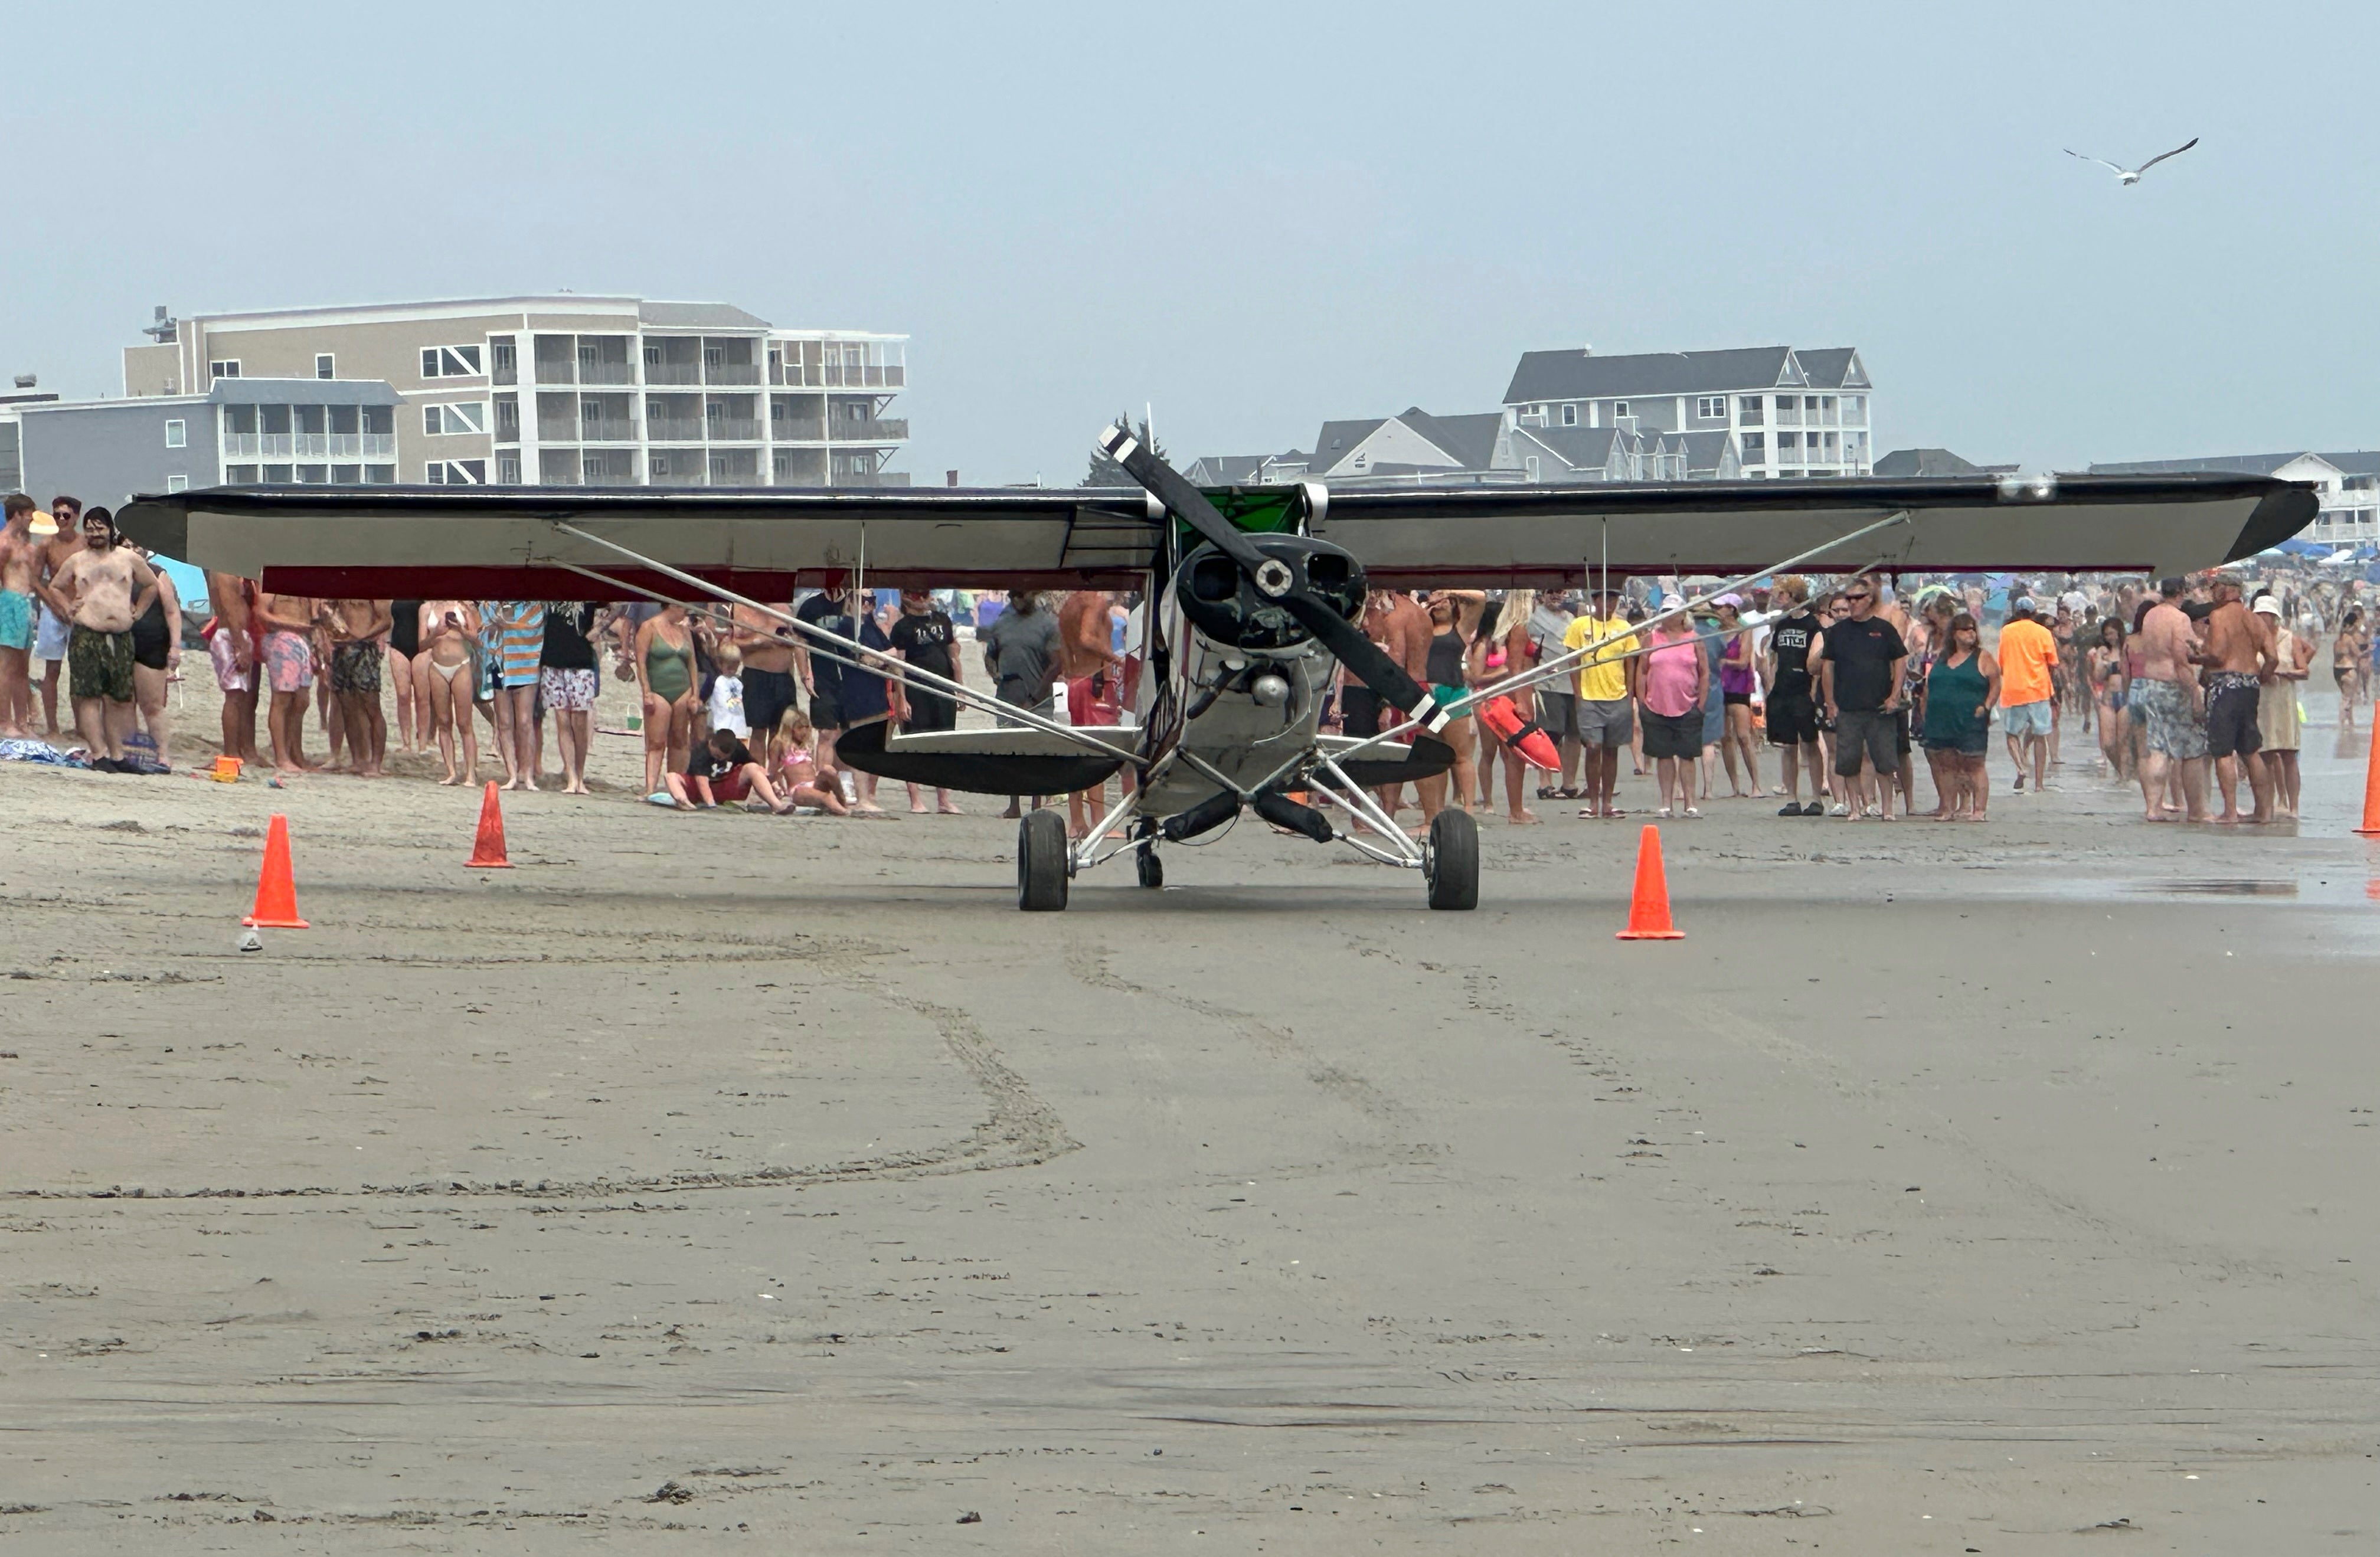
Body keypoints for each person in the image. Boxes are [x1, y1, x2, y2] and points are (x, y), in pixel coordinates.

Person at [33, 507, 158, 771]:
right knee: (88, 696)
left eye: (100, 527)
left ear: (110, 529)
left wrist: (140, 611)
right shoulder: (78, 560)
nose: (95, 533)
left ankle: (117, 754)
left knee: (117, 697)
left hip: (122, 635)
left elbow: (151, 585)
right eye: (90, 528)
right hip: (87, 633)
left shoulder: (128, 558)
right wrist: (67, 607)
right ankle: (99, 753)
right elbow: (54, 586)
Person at [1809, 576, 1907, 820]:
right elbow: (1827, 668)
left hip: (1879, 705)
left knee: (1884, 760)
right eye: (1848, 599)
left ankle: (1887, 809)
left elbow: (1901, 660)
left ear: (1869, 599)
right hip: (1847, 707)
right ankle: (1854, 807)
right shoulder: (1838, 632)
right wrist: (1830, 702)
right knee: (1848, 759)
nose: (1853, 603)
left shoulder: (1883, 629)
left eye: (1857, 598)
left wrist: (1895, 695)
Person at [2194, 573, 2275, 825]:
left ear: (2228, 589)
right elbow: (2272, 658)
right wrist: (2260, 678)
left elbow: (2218, 655)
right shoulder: (2254, 619)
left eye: (2215, 587)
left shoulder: (2220, 616)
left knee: (2223, 751)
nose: (2211, 592)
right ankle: (2263, 812)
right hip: (2250, 685)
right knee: (2251, 750)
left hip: (2225, 685)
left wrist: (2195, 658)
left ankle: (2230, 811)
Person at [981, 590, 1063, 818]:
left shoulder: (1048, 624)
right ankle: (1014, 804)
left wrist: (1035, 699)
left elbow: (1057, 665)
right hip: (1008, 697)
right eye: (1013, 596)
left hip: (1039, 701)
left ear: (1033, 595)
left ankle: (1036, 805)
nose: (1017, 600)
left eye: (1022, 595)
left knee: (1037, 754)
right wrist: (994, 672)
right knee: (1010, 752)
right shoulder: (1002, 623)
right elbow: (990, 655)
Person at [2133, 577, 2209, 823]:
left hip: (2151, 684)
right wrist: (2195, 694)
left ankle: (2153, 808)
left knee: (2158, 748)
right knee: (2192, 750)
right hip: (2174, 685)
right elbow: (2181, 659)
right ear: (2181, 593)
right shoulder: (2180, 619)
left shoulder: (2150, 616)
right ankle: (2197, 811)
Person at [887, 587, 964, 815]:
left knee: (944, 743)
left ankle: (944, 799)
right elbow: (898, 665)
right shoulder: (902, 627)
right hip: (916, 690)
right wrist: (901, 698)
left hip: (943, 689)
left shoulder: (943, 619)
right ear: (907, 599)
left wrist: (960, 689)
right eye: (917, 595)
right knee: (914, 742)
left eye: (925, 594)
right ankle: (916, 800)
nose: (923, 599)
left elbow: (954, 656)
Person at [1468, 590, 1540, 825]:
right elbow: (1516, 668)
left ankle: (1515, 807)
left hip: (1510, 694)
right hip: (1510, 696)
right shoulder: (1517, 629)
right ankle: (1515, 810)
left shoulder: (1513, 630)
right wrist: (1521, 700)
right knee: (1512, 755)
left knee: (1514, 755)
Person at [1564, 587, 1635, 819]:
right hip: (1589, 696)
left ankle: (1607, 802)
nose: (1610, 603)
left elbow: (1630, 662)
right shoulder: (1580, 625)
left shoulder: (1624, 627)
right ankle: (1592, 801)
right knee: (1593, 748)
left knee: (1611, 749)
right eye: (1605, 598)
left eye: (1614, 599)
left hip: (1617, 695)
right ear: (1595, 600)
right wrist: (1577, 693)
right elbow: (1572, 659)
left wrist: (1630, 694)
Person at [1918, 611, 1997, 820]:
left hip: (1971, 720)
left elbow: (1995, 684)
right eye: (1965, 629)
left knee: (1974, 765)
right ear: (1954, 633)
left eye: (1973, 629)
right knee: (1946, 766)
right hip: (1940, 720)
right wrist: (1925, 713)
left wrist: (1986, 707)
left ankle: (1978, 810)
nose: (1970, 633)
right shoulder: (1942, 658)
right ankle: (1948, 809)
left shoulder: (1983, 657)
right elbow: (1928, 688)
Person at [1417, 590, 1486, 823]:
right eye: (1437, 603)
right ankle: (1432, 817)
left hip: (1453, 691)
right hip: (1426, 692)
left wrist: (1450, 592)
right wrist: (1425, 608)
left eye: (1445, 603)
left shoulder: (1461, 628)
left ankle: (1469, 812)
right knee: (1429, 757)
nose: (1440, 606)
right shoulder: (1422, 628)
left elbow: (1480, 598)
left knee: (1461, 755)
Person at [1634, 601, 1706, 818]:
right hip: (1656, 705)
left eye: (1673, 612)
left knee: (1687, 755)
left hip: (1689, 704)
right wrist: (1642, 700)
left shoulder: (1694, 639)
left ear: (1683, 615)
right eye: (1665, 611)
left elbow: (1704, 673)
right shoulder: (1651, 638)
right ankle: (1666, 803)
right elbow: (1642, 671)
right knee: (1663, 756)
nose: (1668, 616)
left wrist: (1701, 704)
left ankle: (1690, 803)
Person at [1761, 576, 1826, 816]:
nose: (1778, 599)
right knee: (1788, 746)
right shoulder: (1782, 625)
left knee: (1810, 744)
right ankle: (1792, 798)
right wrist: (1771, 688)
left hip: (1804, 690)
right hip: (1783, 690)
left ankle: (1817, 797)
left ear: (1792, 596)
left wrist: (1813, 693)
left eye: (1781, 594)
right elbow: (1775, 659)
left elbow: (1817, 664)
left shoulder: (1813, 626)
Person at [633, 602, 699, 797]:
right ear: (671, 605)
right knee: (656, 742)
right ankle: (650, 788)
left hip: (683, 690)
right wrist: (646, 691)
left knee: (680, 740)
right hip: (659, 690)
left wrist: (695, 694)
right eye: (683, 608)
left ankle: (676, 787)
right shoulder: (649, 627)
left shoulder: (684, 631)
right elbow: (641, 662)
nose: (685, 613)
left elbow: (692, 663)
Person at [32, 495, 85, 737]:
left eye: (66, 515)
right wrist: (53, 606)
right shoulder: (46, 544)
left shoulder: (84, 544)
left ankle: (83, 725)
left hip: (81, 611)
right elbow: (36, 580)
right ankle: (53, 727)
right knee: (52, 671)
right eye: (57, 515)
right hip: (54, 612)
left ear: (76, 517)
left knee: (80, 671)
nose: (61, 520)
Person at [125, 549, 182, 767]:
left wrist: (175, 647)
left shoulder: (158, 574)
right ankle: (129, 751)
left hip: (152, 641)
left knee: (152, 704)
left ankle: (162, 755)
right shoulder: (115, 570)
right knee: (123, 701)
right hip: (122, 640)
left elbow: (172, 611)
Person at [2254, 593, 2309, 817]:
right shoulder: (2253, 641)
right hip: (2262, 703)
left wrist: (2283, 673)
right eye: (2259, 615)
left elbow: (2304, 671)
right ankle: (2267, 807)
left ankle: (2293, 807)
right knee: (2265, 755)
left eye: (2267, 615)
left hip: (2285, 702)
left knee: (2288, 755)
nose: (2263, 619)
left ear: (2275, 617)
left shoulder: (2290, 639)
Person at [322, 600, 391, 777]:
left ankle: (375, 763)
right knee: (347, 706)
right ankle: (358, 760)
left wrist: (362, 636)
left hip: (365, 648)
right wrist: (332, 634)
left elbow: (385, 620)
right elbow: (327, 610)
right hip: (341, 649)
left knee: (372, 706)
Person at [731, 598, 800, 775]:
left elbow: (798, 640)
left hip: (783, 677)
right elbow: (733, 643)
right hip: (757, 676)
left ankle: (775, 776)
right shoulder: (741, 608)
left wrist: (789, 641)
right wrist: (759, 641)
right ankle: (758, 775)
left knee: (781, 730)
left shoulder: (784, 608)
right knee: (759, 730)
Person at [1996, 597, 2058, 795]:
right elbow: (2053, 663)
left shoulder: (2007, 631)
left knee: (2012, 734)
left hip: (2014, 689)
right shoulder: (2044, 633)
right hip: (2039, 689)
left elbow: (2002, 662)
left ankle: (2021, 767)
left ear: (2016, 613)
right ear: (2033, 613)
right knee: (2040, 736)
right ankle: (2039, 784)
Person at [417, 601, 482, 786]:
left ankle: (470, 773)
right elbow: (421, 646)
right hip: (437, 667)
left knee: (465, 723)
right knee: (443, 721)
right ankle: (451, 771)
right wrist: (436, 633)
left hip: (461, 665)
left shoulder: (462, 607)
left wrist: (461, 630)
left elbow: (477, 640)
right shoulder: (426, 608)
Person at [538, 601, 599, 796]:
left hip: (580, 662)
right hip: (553, 660)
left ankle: (580, 776)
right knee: (562, 720)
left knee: (579, 723)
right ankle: (571, 776)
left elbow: (621, 606)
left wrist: (600, 628)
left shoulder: (587, 592)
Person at [666, 727, 800, 813]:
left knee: (752, 768)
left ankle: (776, 805)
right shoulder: (701, 751)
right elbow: (701, 781)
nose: (719, 759)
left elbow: (756, 768)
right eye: (717, 756)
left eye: (724, 758)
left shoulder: (738, 747)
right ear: (711, 743)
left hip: (726, 786)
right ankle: (683, 802)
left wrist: (772, 784)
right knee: (671, 777)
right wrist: (711, 806)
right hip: (700, 790)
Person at [485, 600, 545, 791]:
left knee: (525, 722)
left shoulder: (533, 605)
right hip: (500, 665)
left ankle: (527, 774)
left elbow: (532, 630)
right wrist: (497, 625)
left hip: (526, 667)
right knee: (503, 722)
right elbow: (483, 632)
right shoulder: (491, 604)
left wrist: (504, 624)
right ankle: (512, 774)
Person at [1524, 591, 1579, 798]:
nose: (1556, 596)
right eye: (1551, 592)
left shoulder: (1573, 620)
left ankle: (1570, 783)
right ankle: (1545, 783)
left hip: (1573, 682)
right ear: (1543, 595)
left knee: (1574, 734)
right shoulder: (1533, 619)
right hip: (1548, 683)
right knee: (1550, 734)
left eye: (1560, 592)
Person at [0, 494, 42, 736]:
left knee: (22, 668)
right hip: (9, 600)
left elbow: (34, 579)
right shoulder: (4, 543)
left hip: (26, 603)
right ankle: (5, 721)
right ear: (17, 514)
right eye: (29, 514)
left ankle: (22, 721)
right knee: (7, 666)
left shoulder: (27, 544)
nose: (31, 519)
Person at [1712, 595, 1762, 799]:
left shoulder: (1744, 631)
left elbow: (1743, 661)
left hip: (1739, 687)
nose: (1716, 611)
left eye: (1720, 608)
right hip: (1720, 687)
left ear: (1731, 609)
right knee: (1725, 738)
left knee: (1743, 736)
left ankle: (1756, 785)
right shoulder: (1715, 632)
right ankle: (1735, 785)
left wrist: (1723, 662)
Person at [772, 706, 851, 815]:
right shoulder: (780, 743)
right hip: (798, 789)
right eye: (800, 728)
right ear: (790, 728)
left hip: (814, 784)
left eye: (806, 727)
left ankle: (843, 803)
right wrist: (776, 788)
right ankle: (845, 812)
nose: (804, 732)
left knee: (828, 770)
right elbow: (773, 769)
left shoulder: (806, 744)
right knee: (825, 796)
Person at [2088, 617, 2131, 780]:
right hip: (2107, 699)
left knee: (2123, 742)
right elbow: (2098, 677)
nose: (2110, 638)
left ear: (2120, 632)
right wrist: (2101, 661)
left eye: (2112, 634)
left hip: (2125, 698)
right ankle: (2121, 770)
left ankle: (2125, 779)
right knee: (2108, 744)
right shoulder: (2102, 651)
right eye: (2107, 635)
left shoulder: (2127, 650)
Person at [385, 597, 423, 755]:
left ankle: (423, 742)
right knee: (403, 695)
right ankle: (406, 741)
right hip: (398, 645)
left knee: (422, 697)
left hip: (421, 646)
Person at [2334, 607, 2363, 734]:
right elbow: (2358, 654)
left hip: (2337, 670)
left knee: (2347, 697)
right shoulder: (2349, 640)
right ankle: (2340, 725)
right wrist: (2369, 650)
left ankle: (2350, 722)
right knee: (2347, 699)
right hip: (2349, 669)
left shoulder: (2338, 640)